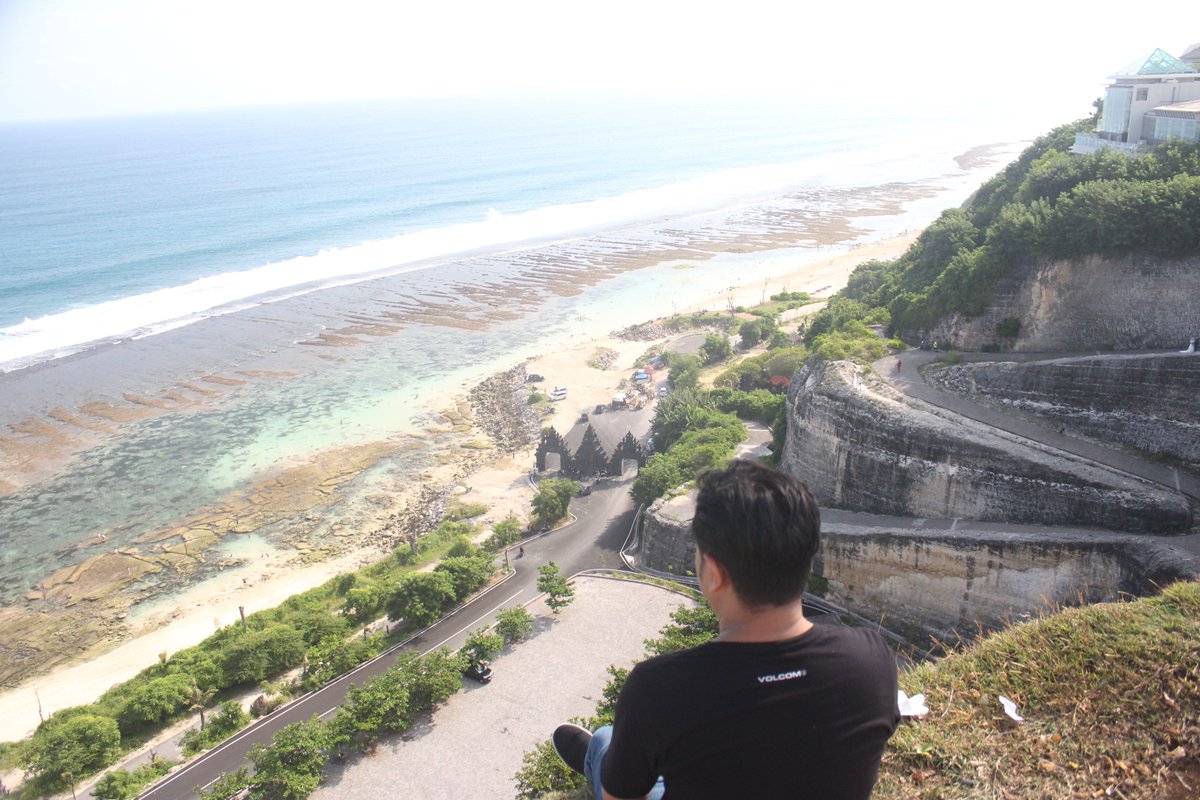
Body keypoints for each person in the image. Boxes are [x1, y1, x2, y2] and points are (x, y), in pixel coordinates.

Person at [552, 460, 899, 799]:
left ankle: (597, 758)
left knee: (605, 740)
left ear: (714, 572)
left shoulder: (658, 689)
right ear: (806, 556)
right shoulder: (870, 659)